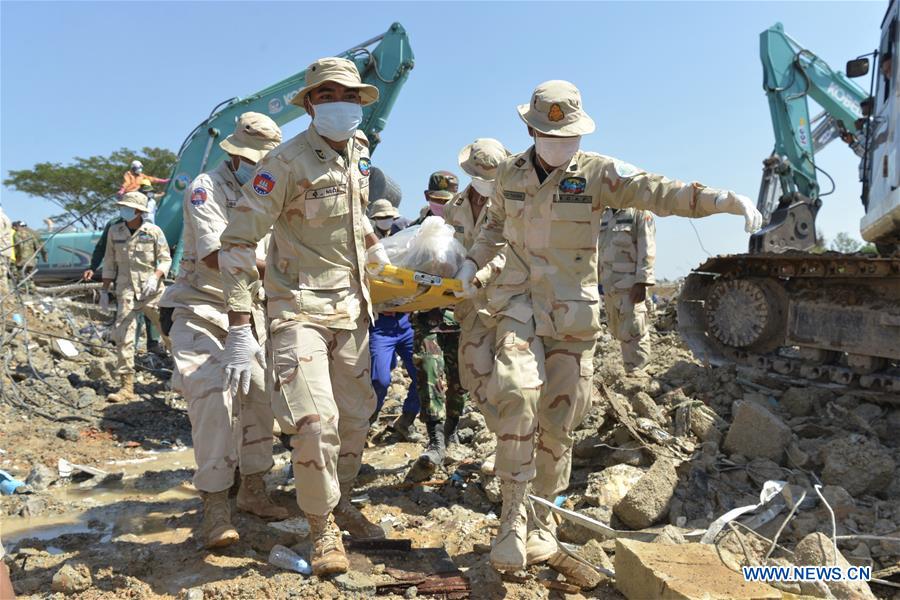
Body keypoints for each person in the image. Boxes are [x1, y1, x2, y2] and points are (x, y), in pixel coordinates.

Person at [455, 80, 763, 573]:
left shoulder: (598, 173)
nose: (563, 143)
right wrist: (473, 263)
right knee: (515, 392)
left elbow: (659, 190)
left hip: (573, 314)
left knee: (560, 419)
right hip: (516, 303)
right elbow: (493, 226)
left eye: (571, 135)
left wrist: (722, 200)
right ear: (532, 130)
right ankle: (512, 513)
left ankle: (543, 517)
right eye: (554, 135)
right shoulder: (510, 174)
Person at [220, 57, 390, 576]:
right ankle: (321, 528)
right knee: (315, 421)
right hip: (297, 309)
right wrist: (237, 322)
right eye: (329, 95)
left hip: (353, 309)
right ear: (311, 103)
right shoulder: (285, 162)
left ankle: (338, 499)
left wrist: (387, 265)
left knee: (357, 418)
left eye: (350, 95)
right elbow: (237, 240)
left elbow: (357, 224)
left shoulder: (359, 152)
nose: (342, 104)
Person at [160, 112, 288, 549]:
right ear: (234, 153)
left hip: (253, 312)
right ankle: (215, 503)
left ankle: (253, 490)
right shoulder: (205, 189)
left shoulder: (274, 189)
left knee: (259, 399)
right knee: (212, 394)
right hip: (202, 309)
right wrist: (285, 272)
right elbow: (219, 257)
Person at [443, 138, 509, 447]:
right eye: (479, 176)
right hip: (470, 308)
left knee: (514, 379)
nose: (485, 183)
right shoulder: (454, 207)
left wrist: (479, 274)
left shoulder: (512, 203)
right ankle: (506, 439)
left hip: (507, 301)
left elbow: (512, 250)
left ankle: (519, 445)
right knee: (475, 378)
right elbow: (445, 251)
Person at [410, 171, 468, 474]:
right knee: (429, 372)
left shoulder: (468, 229)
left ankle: (452, 429)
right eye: (436, 201)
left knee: (460, 380)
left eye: (447, 201)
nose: (441, 206)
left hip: (460, 316)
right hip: (427, 317)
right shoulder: (414, 233)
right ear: (426, 198)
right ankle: (434, 438)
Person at [101, 192, 171, 403]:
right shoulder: (115, 231)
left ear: (139, 211)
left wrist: (156, 276)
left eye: (128, 207)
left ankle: (184, 376)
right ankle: (126, 386)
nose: (123, 210)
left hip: (152, 291)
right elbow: (109, 261)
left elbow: (165, 259)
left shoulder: (153, 231)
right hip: (126, 290)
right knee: (124, 336)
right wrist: (105, 291)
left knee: (170, 333)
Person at [367, 202, 420, 441]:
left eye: (389, 217)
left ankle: (407, 419)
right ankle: (367, 420)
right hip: (379, 323)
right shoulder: (363, 243)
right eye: (381, 218)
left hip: (405, 320)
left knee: (424, 373)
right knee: (380, 378)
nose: (386, 221)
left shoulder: (403, 241)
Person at [84, 217, 165, 356]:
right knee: (125, 320)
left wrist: (156, 277)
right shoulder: (113, 226)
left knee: (157, 318)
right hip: (124, 281)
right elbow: (105, 252)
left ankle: (154, 344)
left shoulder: (151, 228)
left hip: (148, 283)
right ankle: (127, 360)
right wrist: (98, 276)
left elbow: (163, 257)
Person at [598, 207, 656, 372]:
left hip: (630, 287)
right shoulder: (604, 214)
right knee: (619, 331)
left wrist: (642, 282)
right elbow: (599, 249)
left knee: (634, 330)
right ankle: (630, 373)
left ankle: (639, 374)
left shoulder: (639, 212)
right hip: (609, 287)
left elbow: (647, 247)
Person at [11, 221, 47, 294]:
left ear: (17, 226)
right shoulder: (33, 233)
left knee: (21, 276)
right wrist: (45, 257)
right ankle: (32, 291)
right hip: (31, 259)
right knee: (29, 276)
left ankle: (24, 292)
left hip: (20, 260)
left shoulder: (16, 234)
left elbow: (16, 248)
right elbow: (39, 246)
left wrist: (14, 258)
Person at [0, 204, 12, 296]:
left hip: (1, 249)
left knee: (1, 276)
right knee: (3, 275)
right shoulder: (5, 217)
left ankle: (4, 297)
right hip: (6, 250)